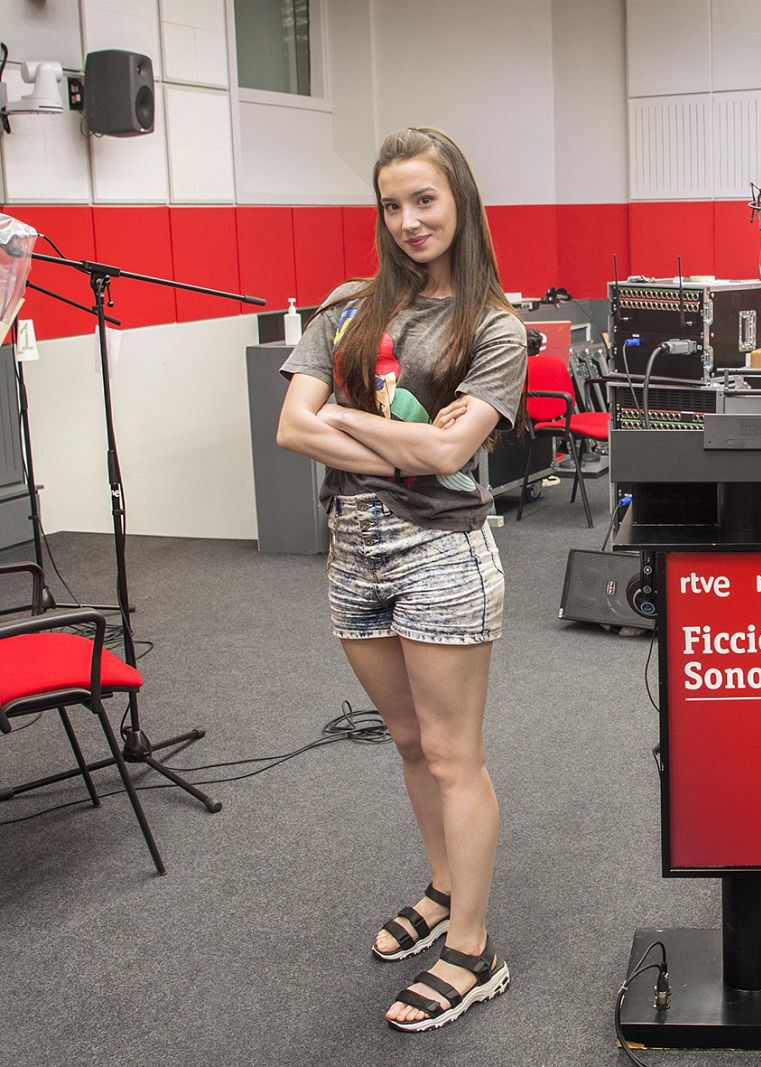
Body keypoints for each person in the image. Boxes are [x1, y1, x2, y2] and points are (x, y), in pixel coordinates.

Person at [276, 127, 528, 1033]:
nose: (409, 220)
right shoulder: (349, 308)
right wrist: (406, 445)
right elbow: (292, 427)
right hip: (353, 549)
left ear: (459, 200)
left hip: (441, 552)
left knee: (454, 753)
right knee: (409, 742)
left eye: (424, 199)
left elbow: (452, 455)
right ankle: (444, 884)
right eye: (392, 204)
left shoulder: (494, 328)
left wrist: (348, 420)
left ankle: (473, 947)